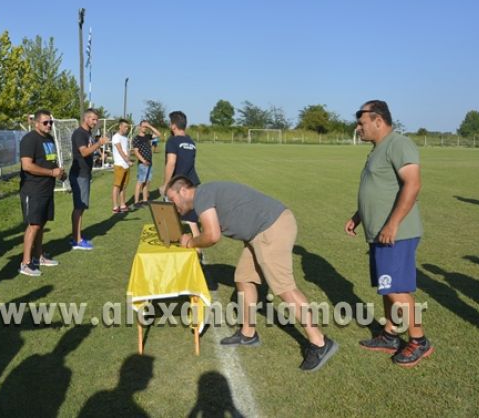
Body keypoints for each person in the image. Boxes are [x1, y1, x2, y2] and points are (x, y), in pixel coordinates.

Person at [165, 176, 338, 372]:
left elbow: (212, 235)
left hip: (271, 228)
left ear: (183, 191)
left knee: (285, 288)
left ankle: (320, 342)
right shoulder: (205, 194)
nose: (172, 205)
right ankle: (248, 333)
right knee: (243, 278)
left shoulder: (201, 195)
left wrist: (190, 242)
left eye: (172, 200)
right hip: (260, 232)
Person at [344, 100, 432, 367]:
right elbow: (380, 189)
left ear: (378, 120)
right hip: (380, 233)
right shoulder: (377, 149)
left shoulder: (398, 144)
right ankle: (390, 335)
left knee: (396, 289)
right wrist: (358, 216)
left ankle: (419, 340)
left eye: (362, 122)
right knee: (387, 286)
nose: (358, 128)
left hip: (397, 233)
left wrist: (392, 224)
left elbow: (413, 184)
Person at [18, 109, 64, 276]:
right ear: (36, 123)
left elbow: (50, 162)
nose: (49, 125)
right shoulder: (29, 140)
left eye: (50, 122)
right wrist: (51, 173)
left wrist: (59, 173)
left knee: (41, 224)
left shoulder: (49, 138)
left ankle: (39, 256)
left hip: (47, 188)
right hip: (33, 190)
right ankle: (25, 263)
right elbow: (27, 166)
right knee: (33, 224)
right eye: (45, 122)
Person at [69, 108, 109, 250]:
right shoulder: (79, 133)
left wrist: (99, 154)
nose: (95, 122)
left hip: (84, 174)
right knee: (79, 208)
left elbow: (89, 149)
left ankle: (76, 236)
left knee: (80, 207)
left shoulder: (88, 133)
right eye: (93, 119)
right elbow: (84, 151)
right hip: (79, 174)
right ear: (85, 119)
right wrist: (99, 144)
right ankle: (77, 240)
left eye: (96, 119)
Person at [161, 111, 201, 241]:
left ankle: (176, 254)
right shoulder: (191, 142)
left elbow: (171, 162)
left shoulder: (172, 141)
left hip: (179, 188)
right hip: (193, 184)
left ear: (173, 126)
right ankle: (199, 256)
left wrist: (166, 185)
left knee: (171, 221)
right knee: (192, 221)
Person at [132, 120, 161, 208]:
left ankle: (145, 200)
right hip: (143, 163)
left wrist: (149, 126)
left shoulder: (148, 136)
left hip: (149, 162)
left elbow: (159, 134)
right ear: (140, 127)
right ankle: (136, 202)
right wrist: (143, 161)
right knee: (140, 182)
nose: (144, 128)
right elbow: (136, 152)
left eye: (145, 127)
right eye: (143, 126)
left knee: (147, 182)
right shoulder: (136, 138)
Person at [111, 119, 132, 213]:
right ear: (120, 126)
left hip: (126, 166)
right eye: (125, 127)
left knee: (124, 186)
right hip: (119, 165)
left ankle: (123, 205)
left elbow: (126, 150)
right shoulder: (116, 137)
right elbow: (120, 150)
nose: (126, 129)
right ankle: (115, 207)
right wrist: (127, 160)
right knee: (117, 186)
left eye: (127, 127)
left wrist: (129, 160)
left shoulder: (125, 138)